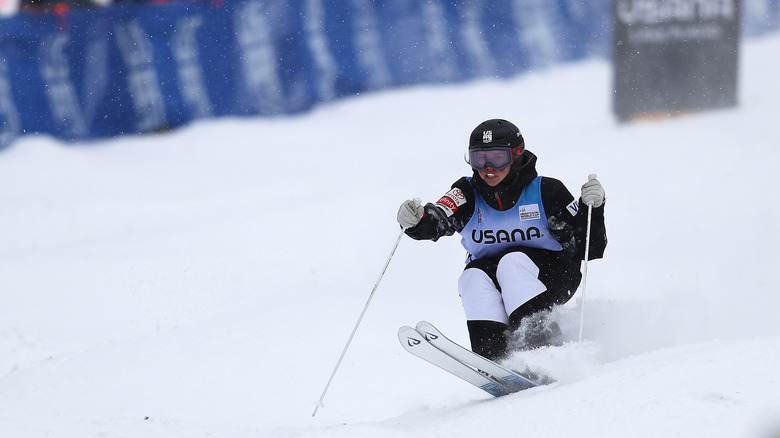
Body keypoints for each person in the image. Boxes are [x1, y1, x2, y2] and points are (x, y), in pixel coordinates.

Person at [396, 119, 607, 360]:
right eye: (479, 159)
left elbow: (589, 247)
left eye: (498, 158)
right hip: (495, 275)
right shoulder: (467, 194)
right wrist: (417, 220)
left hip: (553, 275)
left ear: (516, 155)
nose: (488, 168)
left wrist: (593, 209)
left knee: (512, 263)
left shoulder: (545, 191)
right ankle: (496, 358)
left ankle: (542, 351)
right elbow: (437, 220)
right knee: (472, 277)